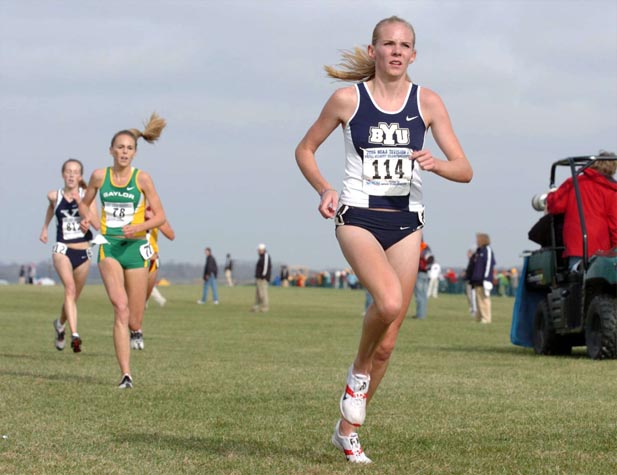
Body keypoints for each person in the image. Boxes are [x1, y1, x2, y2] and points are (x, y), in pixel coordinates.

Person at [295, 16, 472, 463]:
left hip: (406, 222)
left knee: (390, 341)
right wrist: (324, 188)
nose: (396, 51)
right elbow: (305, 149)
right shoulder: (346, 99)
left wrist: (437, 164)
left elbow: (464, 169)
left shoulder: (427, 102)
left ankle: (347, 430)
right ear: (372, 51)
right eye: (388, 44)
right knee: (389, 302)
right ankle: (357, 373)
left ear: (414, 55)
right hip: (356, 216)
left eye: (404, 45)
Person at [75, 113, 168, 388]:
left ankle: (136, 330)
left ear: (135, 153)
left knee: (134, 317)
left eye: (129, 148)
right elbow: (84, 203)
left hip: (137, 246)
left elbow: (161, 217)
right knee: (120, 306)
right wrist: (93, 222)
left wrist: (139, 224)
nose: (124, 152)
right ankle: (126, 374)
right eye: (120, 147)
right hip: (109, 247)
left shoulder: (143, 179)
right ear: (111, 150)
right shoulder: (98, 176)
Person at [40, 158, 99, 352]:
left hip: (83, 251)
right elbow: (52, 207)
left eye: (75, 172)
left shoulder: (88, 196)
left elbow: (97, 223)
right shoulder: (53, 195)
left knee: (73, 297)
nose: (72, 175)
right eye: (68, 171)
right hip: (62, 249)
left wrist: (86, 220)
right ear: (63, 174)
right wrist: (45, 228)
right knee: (70, 289)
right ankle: (75, 335)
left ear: (80, 176)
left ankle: (60, 325)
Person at [546, 152, 617, 269]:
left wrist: (551, 195)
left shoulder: (574, 182)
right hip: (602, 251)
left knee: (577, 282)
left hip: (577, 247)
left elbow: (554, 205)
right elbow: (615, 225)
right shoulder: (612, 191)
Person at [132, 205, 175, 349]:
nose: (147, 210)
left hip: (152, 261)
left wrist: (156, 221)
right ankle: (136, 331)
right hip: (135, 261)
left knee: (143, 301)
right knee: (132, 300)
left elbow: (171, 235)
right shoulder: (134, 213)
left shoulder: (158, 215)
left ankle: (136, 327)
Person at [469, 233, 496, 324]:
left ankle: (486, 318)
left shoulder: (487, 250)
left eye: (478, 239)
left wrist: (486, 278)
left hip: (484, 280)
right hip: (477, 280)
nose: (477, 241)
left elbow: (489, 265)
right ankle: (479, 318)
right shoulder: (479, 251)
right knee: (478, 300)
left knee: (484, 299)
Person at [413, 240, 434, 319]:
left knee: (419, 295)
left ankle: (420, 315)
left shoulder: (421, 246)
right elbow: (431, 257)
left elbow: (430, 257)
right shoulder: (426, 246)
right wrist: (428, 268)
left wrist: (425, 267)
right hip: (425, 274)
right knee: (423, 295)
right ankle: (422, 314)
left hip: (420, 273)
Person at [252, 243, 271, 312]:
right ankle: (256, 307)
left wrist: (263, 276)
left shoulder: (265, 256)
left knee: (263, 293)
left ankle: (265, 307)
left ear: (263, 250)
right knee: (258, 294)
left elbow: (265, 267)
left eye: (259, 250)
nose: (258, 251)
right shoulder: (261, 257)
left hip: (263, 279)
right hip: (259, 278)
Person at [463, 249, 477, 316]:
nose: (467, 255)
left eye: (469, 254)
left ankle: (474, 309)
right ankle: (472, 307)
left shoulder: (473, 261)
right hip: (468, 281)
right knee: (469, 295)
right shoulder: (470, 261)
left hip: (472, 281)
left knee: (472, 295)